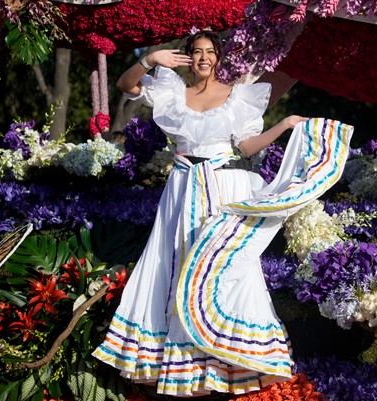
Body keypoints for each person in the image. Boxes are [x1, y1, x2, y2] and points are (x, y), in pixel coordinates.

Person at [93, 31, 353, 396]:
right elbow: (124, 84)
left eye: (209, 52)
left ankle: (222, 360)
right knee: (174, 264)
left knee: (219, 266)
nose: (203, 58)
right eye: (196, 52)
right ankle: (181, 365)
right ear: (185, 57)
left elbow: (246, 146)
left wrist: (284, 125)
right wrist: (150, 60)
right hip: (182, 190)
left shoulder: (237, 96)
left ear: (218, 58)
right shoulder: (170, 92)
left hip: (220, 185)